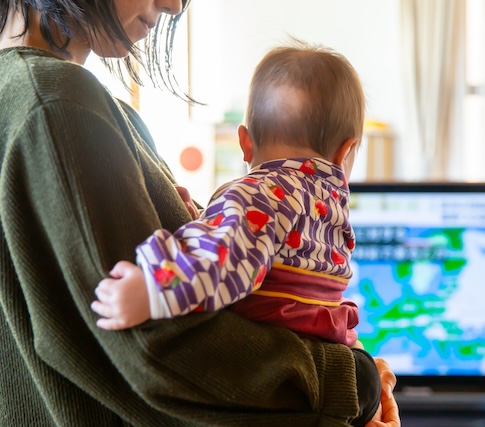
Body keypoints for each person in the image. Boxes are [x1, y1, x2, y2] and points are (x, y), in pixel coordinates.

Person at [0, 1, 400, 426]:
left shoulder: (83, 105)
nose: (173, 5)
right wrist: (355, 382)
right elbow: (164, 353)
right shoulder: (58, 102)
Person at [91, 43, 363, 351]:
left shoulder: (260, 194)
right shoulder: (329, 210)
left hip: (269, 357)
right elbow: (265, 249)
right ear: (345, 152)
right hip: (327, 350)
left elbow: (222, 263)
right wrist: (203, 219)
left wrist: (151, 293)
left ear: (245, 143)